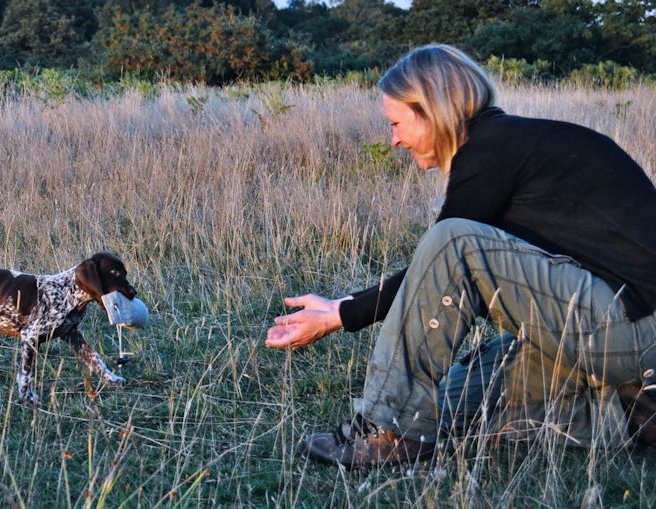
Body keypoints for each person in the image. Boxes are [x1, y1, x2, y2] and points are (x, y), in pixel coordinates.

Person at [265, 44, 656, 468]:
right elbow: (433, 275)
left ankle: (390, 432)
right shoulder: (517, 145)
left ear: (434, 109)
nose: (394, 139)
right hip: (614, 330)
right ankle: (631, 413)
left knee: (452, 241)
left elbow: (441, 262)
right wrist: (343, 308)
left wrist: (342, 313)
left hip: (632, 326)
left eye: (397, 123)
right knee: (452, 402)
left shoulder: (494, 149)